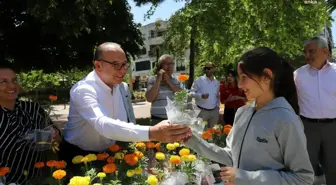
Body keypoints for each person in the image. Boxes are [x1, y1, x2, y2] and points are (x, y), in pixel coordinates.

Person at [183, 47, 314, 185]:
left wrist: (244, 177)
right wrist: (190, 139)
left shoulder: (286, 120)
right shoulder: (242, 112)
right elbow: (230, 155)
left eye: (244, 77)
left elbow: (303, 179)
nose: (239, 84)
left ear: (266, 76)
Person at [60, 43, 189, 169]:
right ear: (98, 65)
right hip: (77, 155)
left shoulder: (119, 86)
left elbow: (121, 121)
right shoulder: (84, 89)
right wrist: (152, 132)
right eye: (116, 65)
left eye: (125, 64)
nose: (123, 70)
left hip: (108, 151)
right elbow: (102, 124)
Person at [0, 62, 61, 184]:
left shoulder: (32, 108)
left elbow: (57, 137)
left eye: (14, 80)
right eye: (3, 82)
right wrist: (45, 137)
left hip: (39, 178)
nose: (12, 86)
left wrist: (54, 137)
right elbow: (18, 142)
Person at [294, 36, 336, 185]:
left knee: (333, 166)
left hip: (333, 127)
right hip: (307, 127)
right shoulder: (298, 75)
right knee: (306, 166)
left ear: (325, 51)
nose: (307, 56)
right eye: (305, 52)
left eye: (311, 51)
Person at [145, 54, 181, 125]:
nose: (170, 66)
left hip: (173, 120)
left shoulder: (177, 80)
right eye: (167, 64)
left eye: (172, 63)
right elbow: (149, 98)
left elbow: (182, 97)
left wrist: (169, 82)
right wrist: (158, 80)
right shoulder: (152, 80)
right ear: (160, 66)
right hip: (157, 120)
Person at [190, 62, 220, 128]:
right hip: (202, 112)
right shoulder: (198, 80)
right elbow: (191, 93)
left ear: (213, 69)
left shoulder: (217, 82)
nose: (206, 70)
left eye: (208, 68)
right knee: (199, 133)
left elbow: (217, 97)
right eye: (205, 68)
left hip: (214, 112)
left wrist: (217, 108)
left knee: (212, 134)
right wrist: (201, 96)